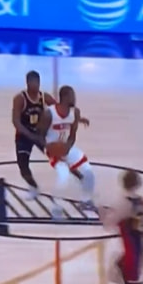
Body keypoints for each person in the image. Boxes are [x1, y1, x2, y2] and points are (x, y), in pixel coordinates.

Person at [12, 72, 90, 200]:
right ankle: (34, 187)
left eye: (37, 83)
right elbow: (16, 121)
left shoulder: (44, 97)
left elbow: (60, 109)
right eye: (33, 83)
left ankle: (81, 178)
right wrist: (30, 135)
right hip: (24, 135)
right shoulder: (20, 99)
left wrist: (79, 119)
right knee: (23, 166)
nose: (36, 85)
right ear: (27, 83)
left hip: (40, 134)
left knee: (61, 155)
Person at [37, 85, 95, 217]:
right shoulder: (48, 114)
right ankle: (56, 208)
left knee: (88, 171)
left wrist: (67, 148)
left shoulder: (75, 112)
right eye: (72, 96)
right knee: (63, 175)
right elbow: (39, 137)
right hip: (51, 148)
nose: (75, 98)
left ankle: (86, 201)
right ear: (65, 97)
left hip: (66, 146)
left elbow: (72, 136)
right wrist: (50, 149)